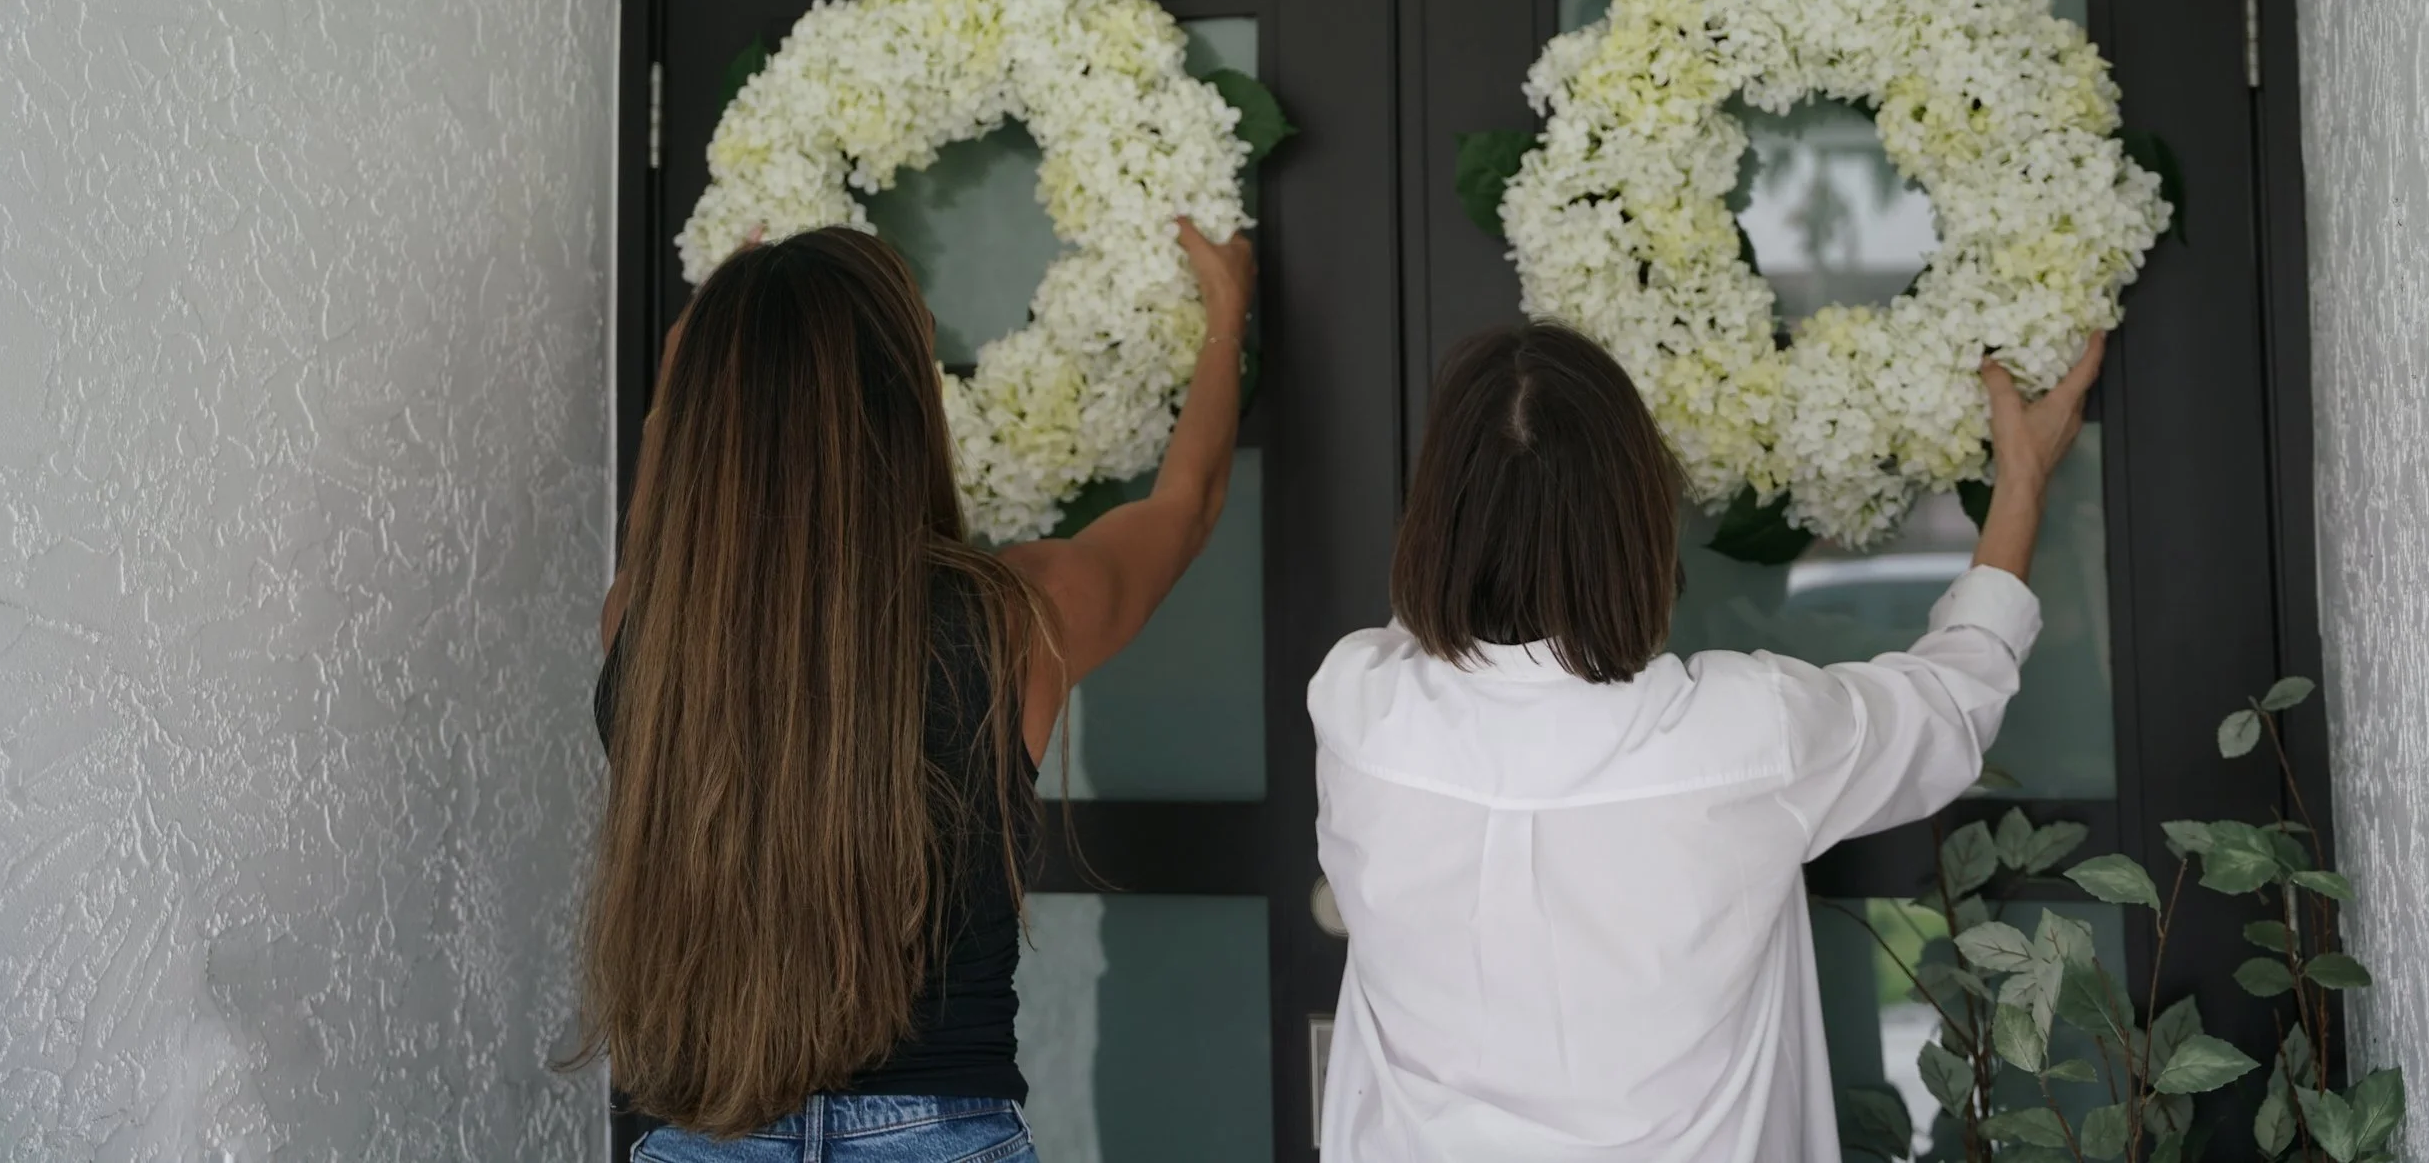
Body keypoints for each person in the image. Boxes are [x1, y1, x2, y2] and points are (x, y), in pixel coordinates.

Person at [1307, 320, 2104, 1162]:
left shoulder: (1360, 704)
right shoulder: (1743, 734)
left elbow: (1439, 615)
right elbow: (1950, 700)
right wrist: (2020, 483)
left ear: (1436, 514)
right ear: (1644, 516)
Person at [575, 218, 1254, 1161]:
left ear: (698, 417)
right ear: (899, 409)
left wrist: (690, 360)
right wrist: (1225, 320)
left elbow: (671, 517)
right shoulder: (1017, 617)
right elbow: (1188, 506)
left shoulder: (642, 627)